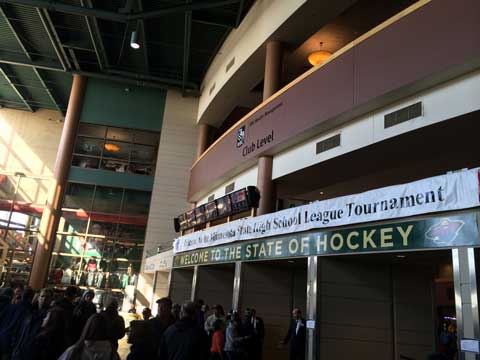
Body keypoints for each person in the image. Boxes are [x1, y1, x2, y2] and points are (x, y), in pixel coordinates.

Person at [11, 288, 54, 360]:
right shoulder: (29, 312)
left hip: (33, 354)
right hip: (18, 352)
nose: (44, 299)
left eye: (47, 297)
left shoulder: (50, 315)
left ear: (51, 299)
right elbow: (18, 329)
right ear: (38, 297)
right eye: (42, 296)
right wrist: (14, 345)